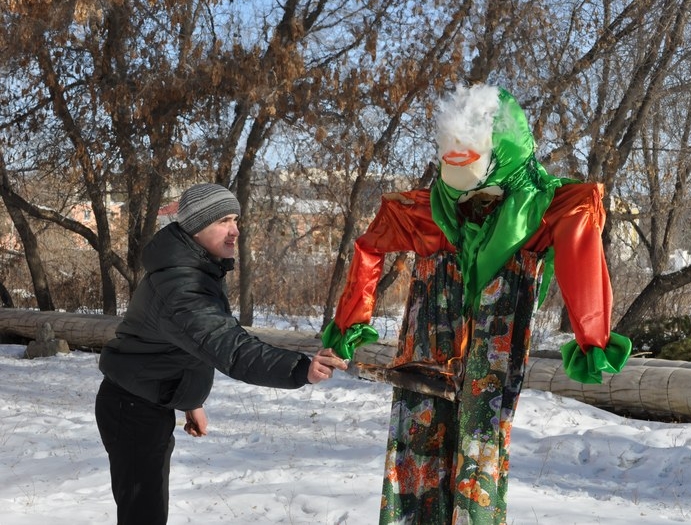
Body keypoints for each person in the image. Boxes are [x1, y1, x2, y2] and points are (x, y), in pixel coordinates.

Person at [321, 84, 631, 524]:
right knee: (418, 454)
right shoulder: (426, 212)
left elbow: (581, 250)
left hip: (491, 362)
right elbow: (369, 246)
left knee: (478, 461)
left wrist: (591, 336)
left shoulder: (542, 210)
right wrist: (349, 323)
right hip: (427, 354)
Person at [95, 183, 348, 525]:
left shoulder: (196, 267)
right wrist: (301, 368)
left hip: (145, 400)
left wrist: (190, 401)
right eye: (223, 221)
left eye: (235, 219)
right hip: (132, 409)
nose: (235, 231)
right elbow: (230, 347)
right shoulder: (182, 285)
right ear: (196, 227)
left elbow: (186, 344)